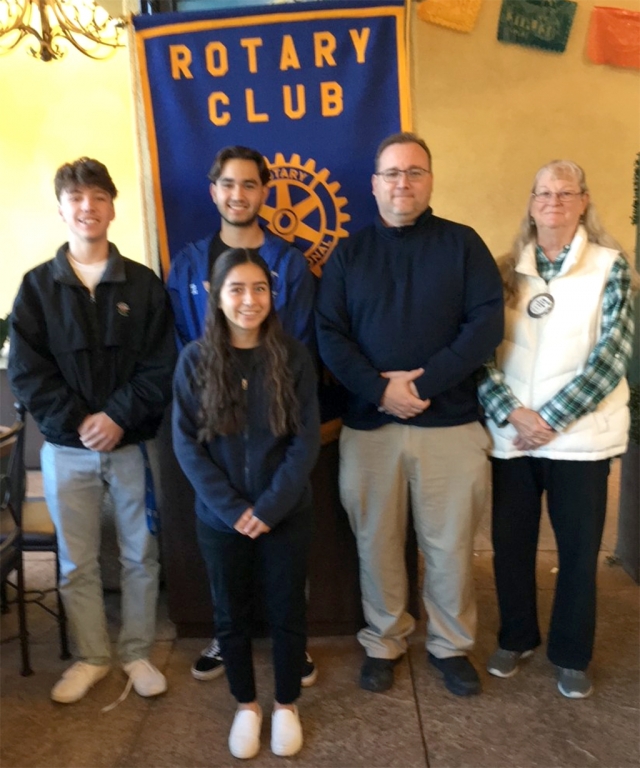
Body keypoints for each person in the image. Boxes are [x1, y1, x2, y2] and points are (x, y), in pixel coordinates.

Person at [316, 132, 504, 696]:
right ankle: (385, 638)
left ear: (430, 180)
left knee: (448, 545)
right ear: (373, 184)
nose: (403, 182)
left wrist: (423, 384)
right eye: (392, 173)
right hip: (371, 427)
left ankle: (449, 645)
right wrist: (379, 390)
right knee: (376, 541)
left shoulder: (463, 244)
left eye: (414, 172)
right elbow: (330, 335)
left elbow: (485, 326)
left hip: (449, 421)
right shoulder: (349, 254)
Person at [8, 157, 177, 704]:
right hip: (65, 449)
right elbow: (28, 372)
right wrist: (81, 423)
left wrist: (117, 417)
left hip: (133, 445)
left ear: (112, 205)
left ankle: (136, 651)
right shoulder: (37, 287)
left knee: (139, 554)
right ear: (62, 208)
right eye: (77, 198)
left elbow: (161, 364)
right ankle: (91, 657)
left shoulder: (144, 285)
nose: (88, 207)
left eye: (97, 197)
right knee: (77, 560)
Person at [479, 159, 638, 699]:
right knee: (511, 544)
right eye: (543, 192)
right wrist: (512, 413)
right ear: (530, 202)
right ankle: (517, 636)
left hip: (579, 440)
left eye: (565, 192)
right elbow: (482, 355)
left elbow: (611, 354)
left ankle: (572, 654)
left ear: (584, 201)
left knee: (576, 551)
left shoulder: (610, 267)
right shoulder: (505, 270)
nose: (553, 201)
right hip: (512, 437)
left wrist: (549, 419)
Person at [167, 144, 317, 685]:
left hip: (275, 425)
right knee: (224, 564)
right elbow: (183, 347)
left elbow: (294, 346)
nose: (238, 194)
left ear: (263, 192)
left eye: (249, 184)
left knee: (284, 562)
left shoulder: (290, 264)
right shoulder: (186, 263)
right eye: (228, 184)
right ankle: (226, 639)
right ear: (214, 192)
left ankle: (289, 648)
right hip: (216, 433)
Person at [172, 248, 320, 759]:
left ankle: (284, 704)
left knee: (285, 612)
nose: (249, 300)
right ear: (216, 297)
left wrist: (270, 507)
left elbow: (305, 442)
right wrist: (233, 509)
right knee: (230, 614)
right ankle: (246, 705)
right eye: (236, 289)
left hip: (286, 513)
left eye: (259, 288)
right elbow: (186, 444)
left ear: (272, 295)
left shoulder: (293, 356)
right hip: (220, 518)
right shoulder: (194, 360)